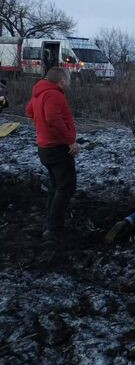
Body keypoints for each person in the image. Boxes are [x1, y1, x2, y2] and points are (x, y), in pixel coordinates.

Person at [25, 67, 78, 239]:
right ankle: (54, 228)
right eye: (68, 79)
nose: (69, 82)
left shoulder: (39, 92)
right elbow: (53, 119)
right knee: (66, 187)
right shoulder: (54, 95)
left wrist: (41, 129)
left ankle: (51, 222)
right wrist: (70, 140)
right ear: (61, 80)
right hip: (57, 148)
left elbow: (29, 112)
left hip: (45, 148)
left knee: (56, 186)